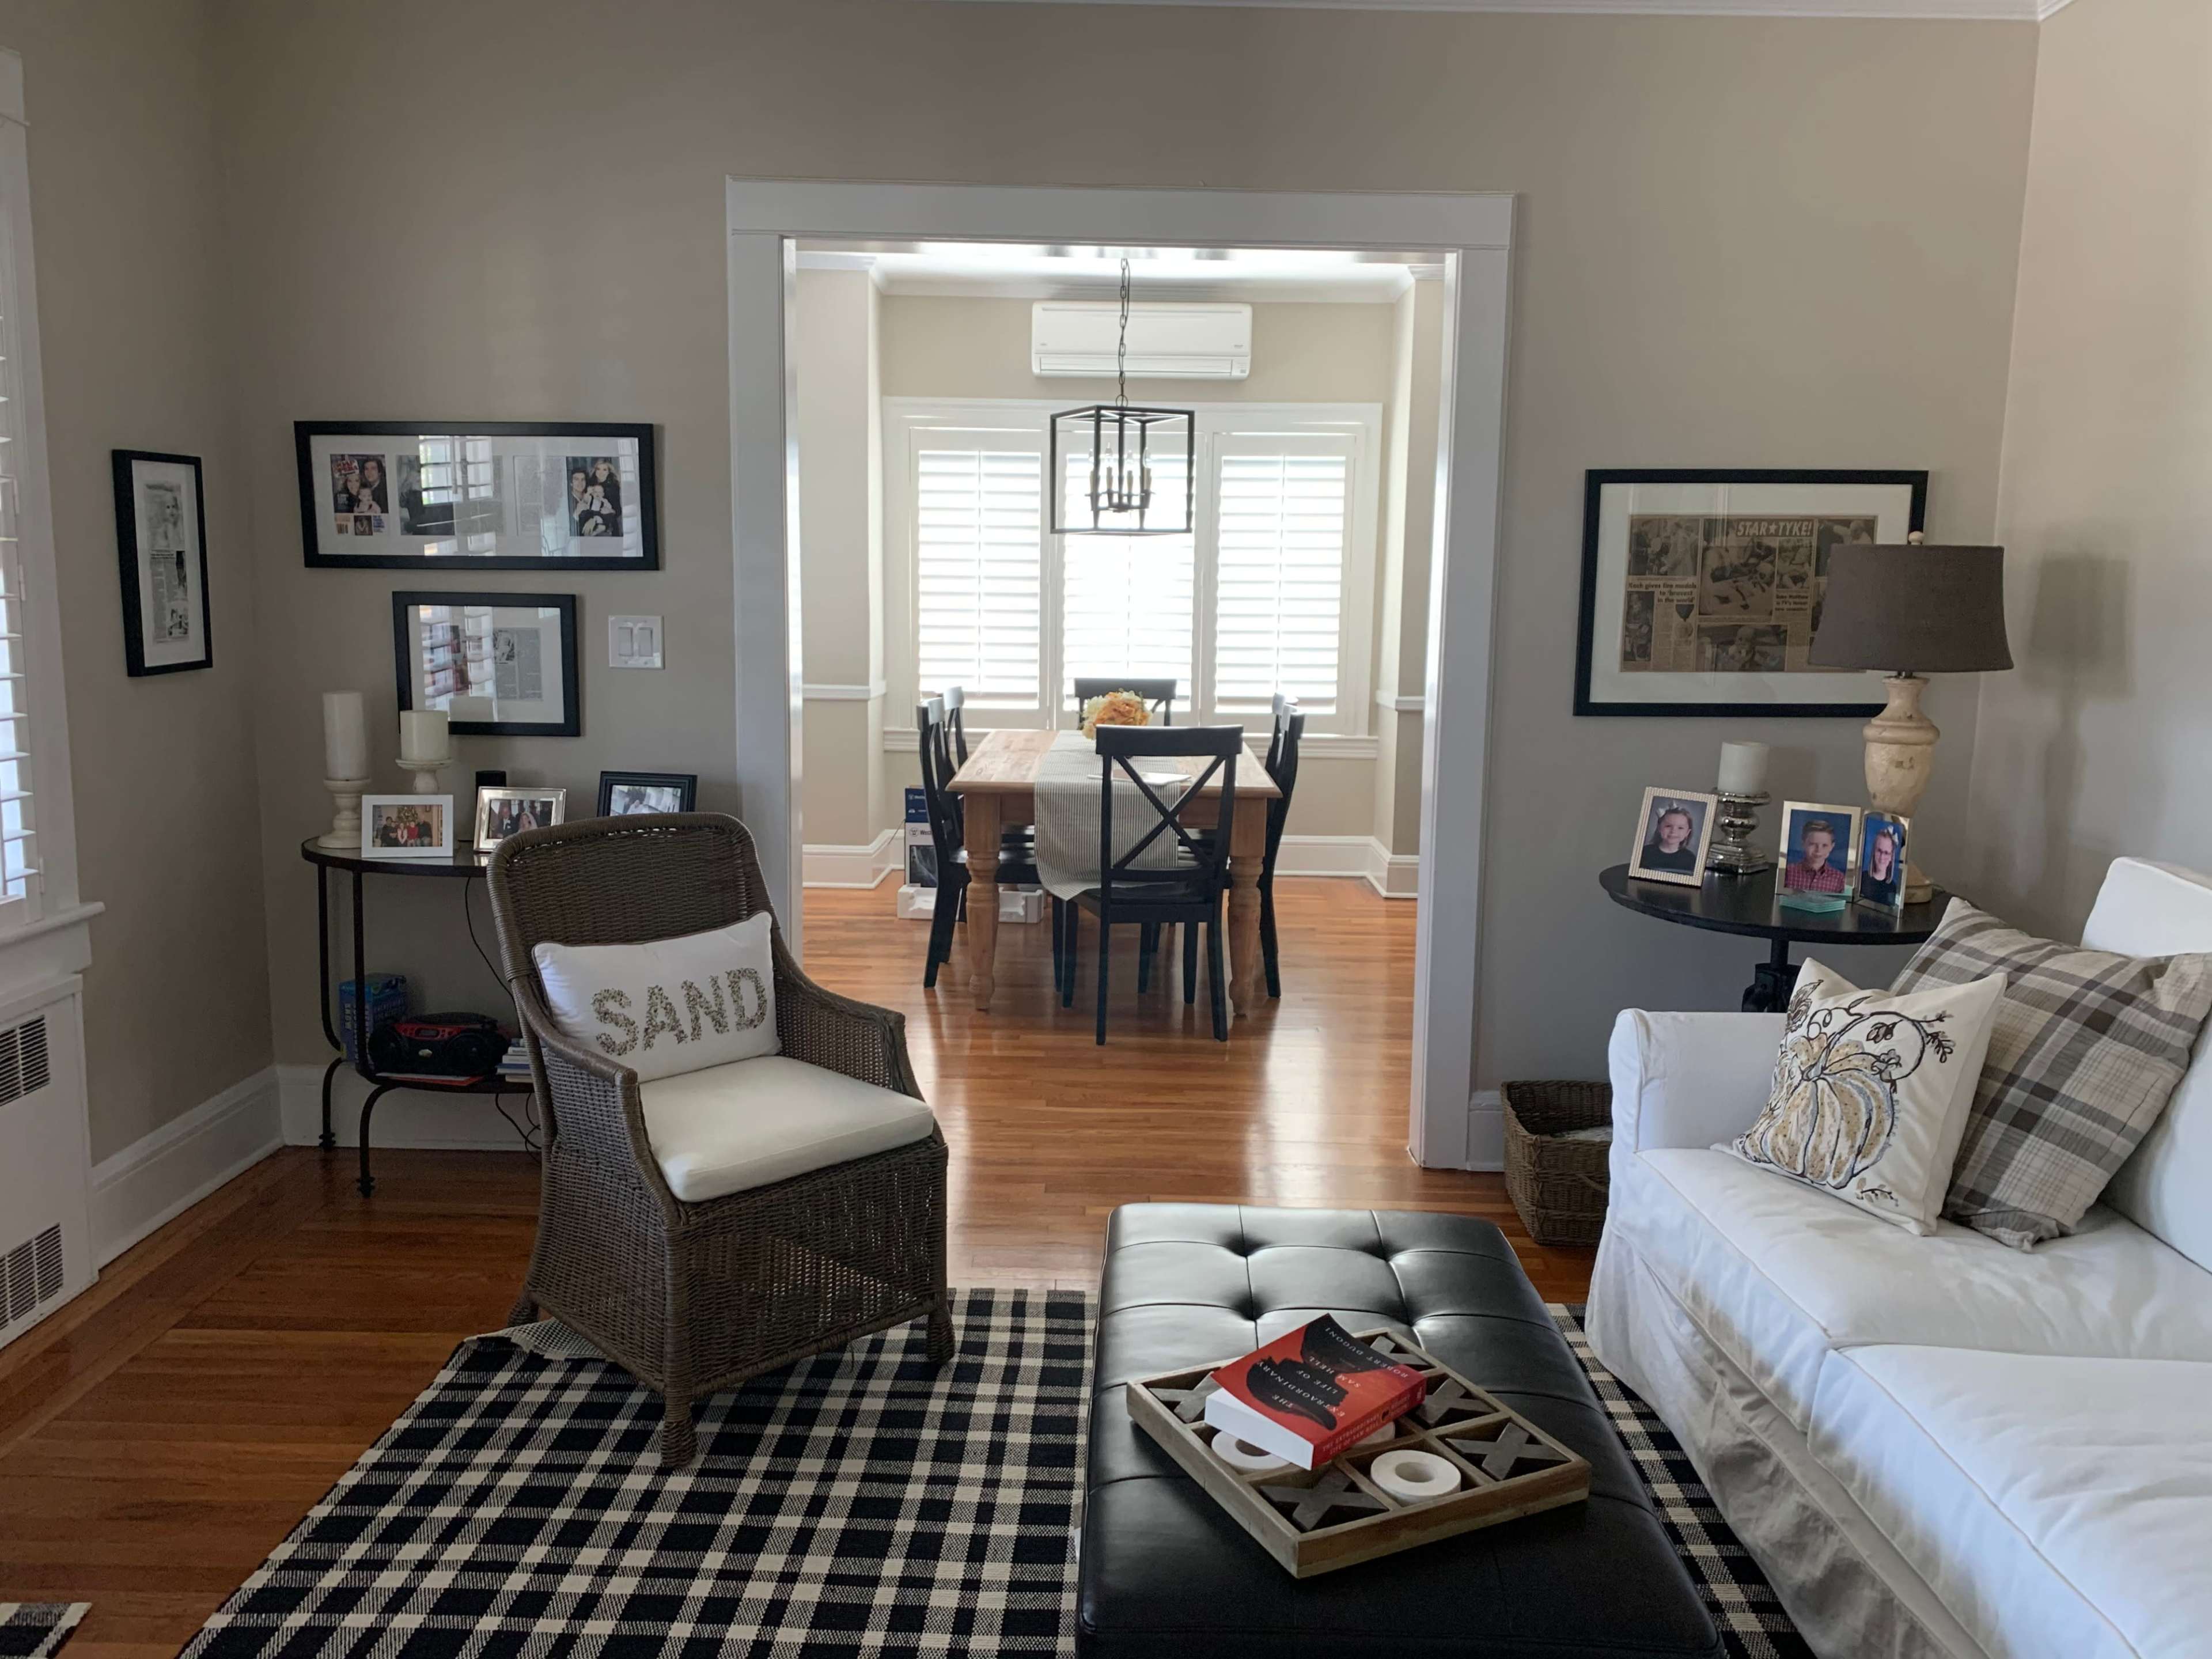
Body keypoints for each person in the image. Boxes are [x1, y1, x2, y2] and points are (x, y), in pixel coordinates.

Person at [1784, 817, 1846, 893]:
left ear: (1832, 847)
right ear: (1803, 844)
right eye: (1813, 844)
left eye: (1825, 845)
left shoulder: (1839, 879)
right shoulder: (1788, 872)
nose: (1818, 850)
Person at [1639, 804, 1701, 874]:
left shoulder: (1690, 859)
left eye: (1680, 828)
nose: (1673, 831)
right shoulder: (1645, 853)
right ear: (1659, 828)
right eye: (1668, 826)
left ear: (1687, 833)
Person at [1861, 822, 1904, 905]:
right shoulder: (1862, 879)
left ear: (1892, 857)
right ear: (1874, 851)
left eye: (1886, 853)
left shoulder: (1892, 888)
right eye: (1879, 851)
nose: (1882, 857)